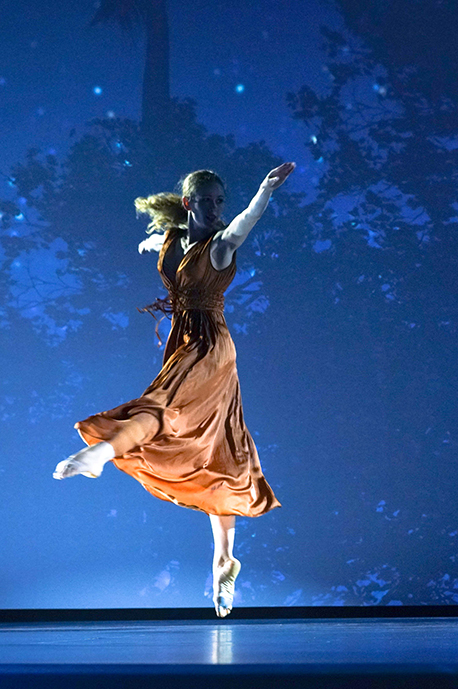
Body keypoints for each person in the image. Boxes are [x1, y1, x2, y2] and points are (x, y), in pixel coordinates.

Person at [53, 163, 295, 617]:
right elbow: (167, 242)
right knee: (218, 449)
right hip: (183, 342)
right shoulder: (175, 236)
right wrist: (151, 241)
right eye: (208, 202)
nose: (218, 209)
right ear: (189, 204)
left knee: (162, 410)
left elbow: (244, 224)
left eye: (222, 201)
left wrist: (263, 192)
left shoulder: (221, 246)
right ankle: (224, 559)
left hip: (209, 348)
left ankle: (98, 456)